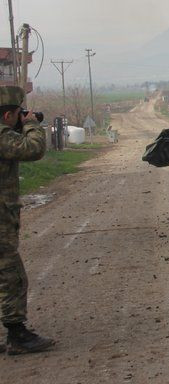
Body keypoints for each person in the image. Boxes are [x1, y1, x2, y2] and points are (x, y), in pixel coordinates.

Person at [0, 86, 53, 355]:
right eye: (18, 114)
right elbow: (34, 149)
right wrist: (31, 124)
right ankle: (17, 335)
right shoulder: (2, 136)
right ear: (9, 115)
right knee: (12, 277)